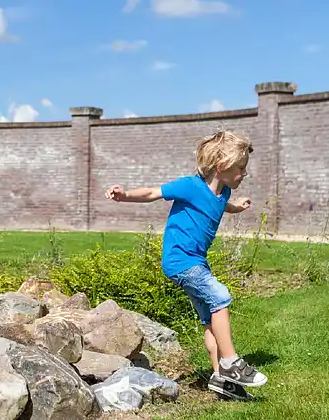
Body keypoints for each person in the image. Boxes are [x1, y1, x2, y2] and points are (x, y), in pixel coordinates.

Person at [104, 130, 266, 401]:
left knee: (211, 319)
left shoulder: (222, 192)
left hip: (196, 262)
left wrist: (236, 207)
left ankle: (221, 381)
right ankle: (231, 363)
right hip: (181, 260)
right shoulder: (190, 187)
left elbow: (219, 204)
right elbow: (154, 192)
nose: (244, 174)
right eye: (240, 169)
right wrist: (126, 195)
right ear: (222, 167)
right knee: (220, 297)